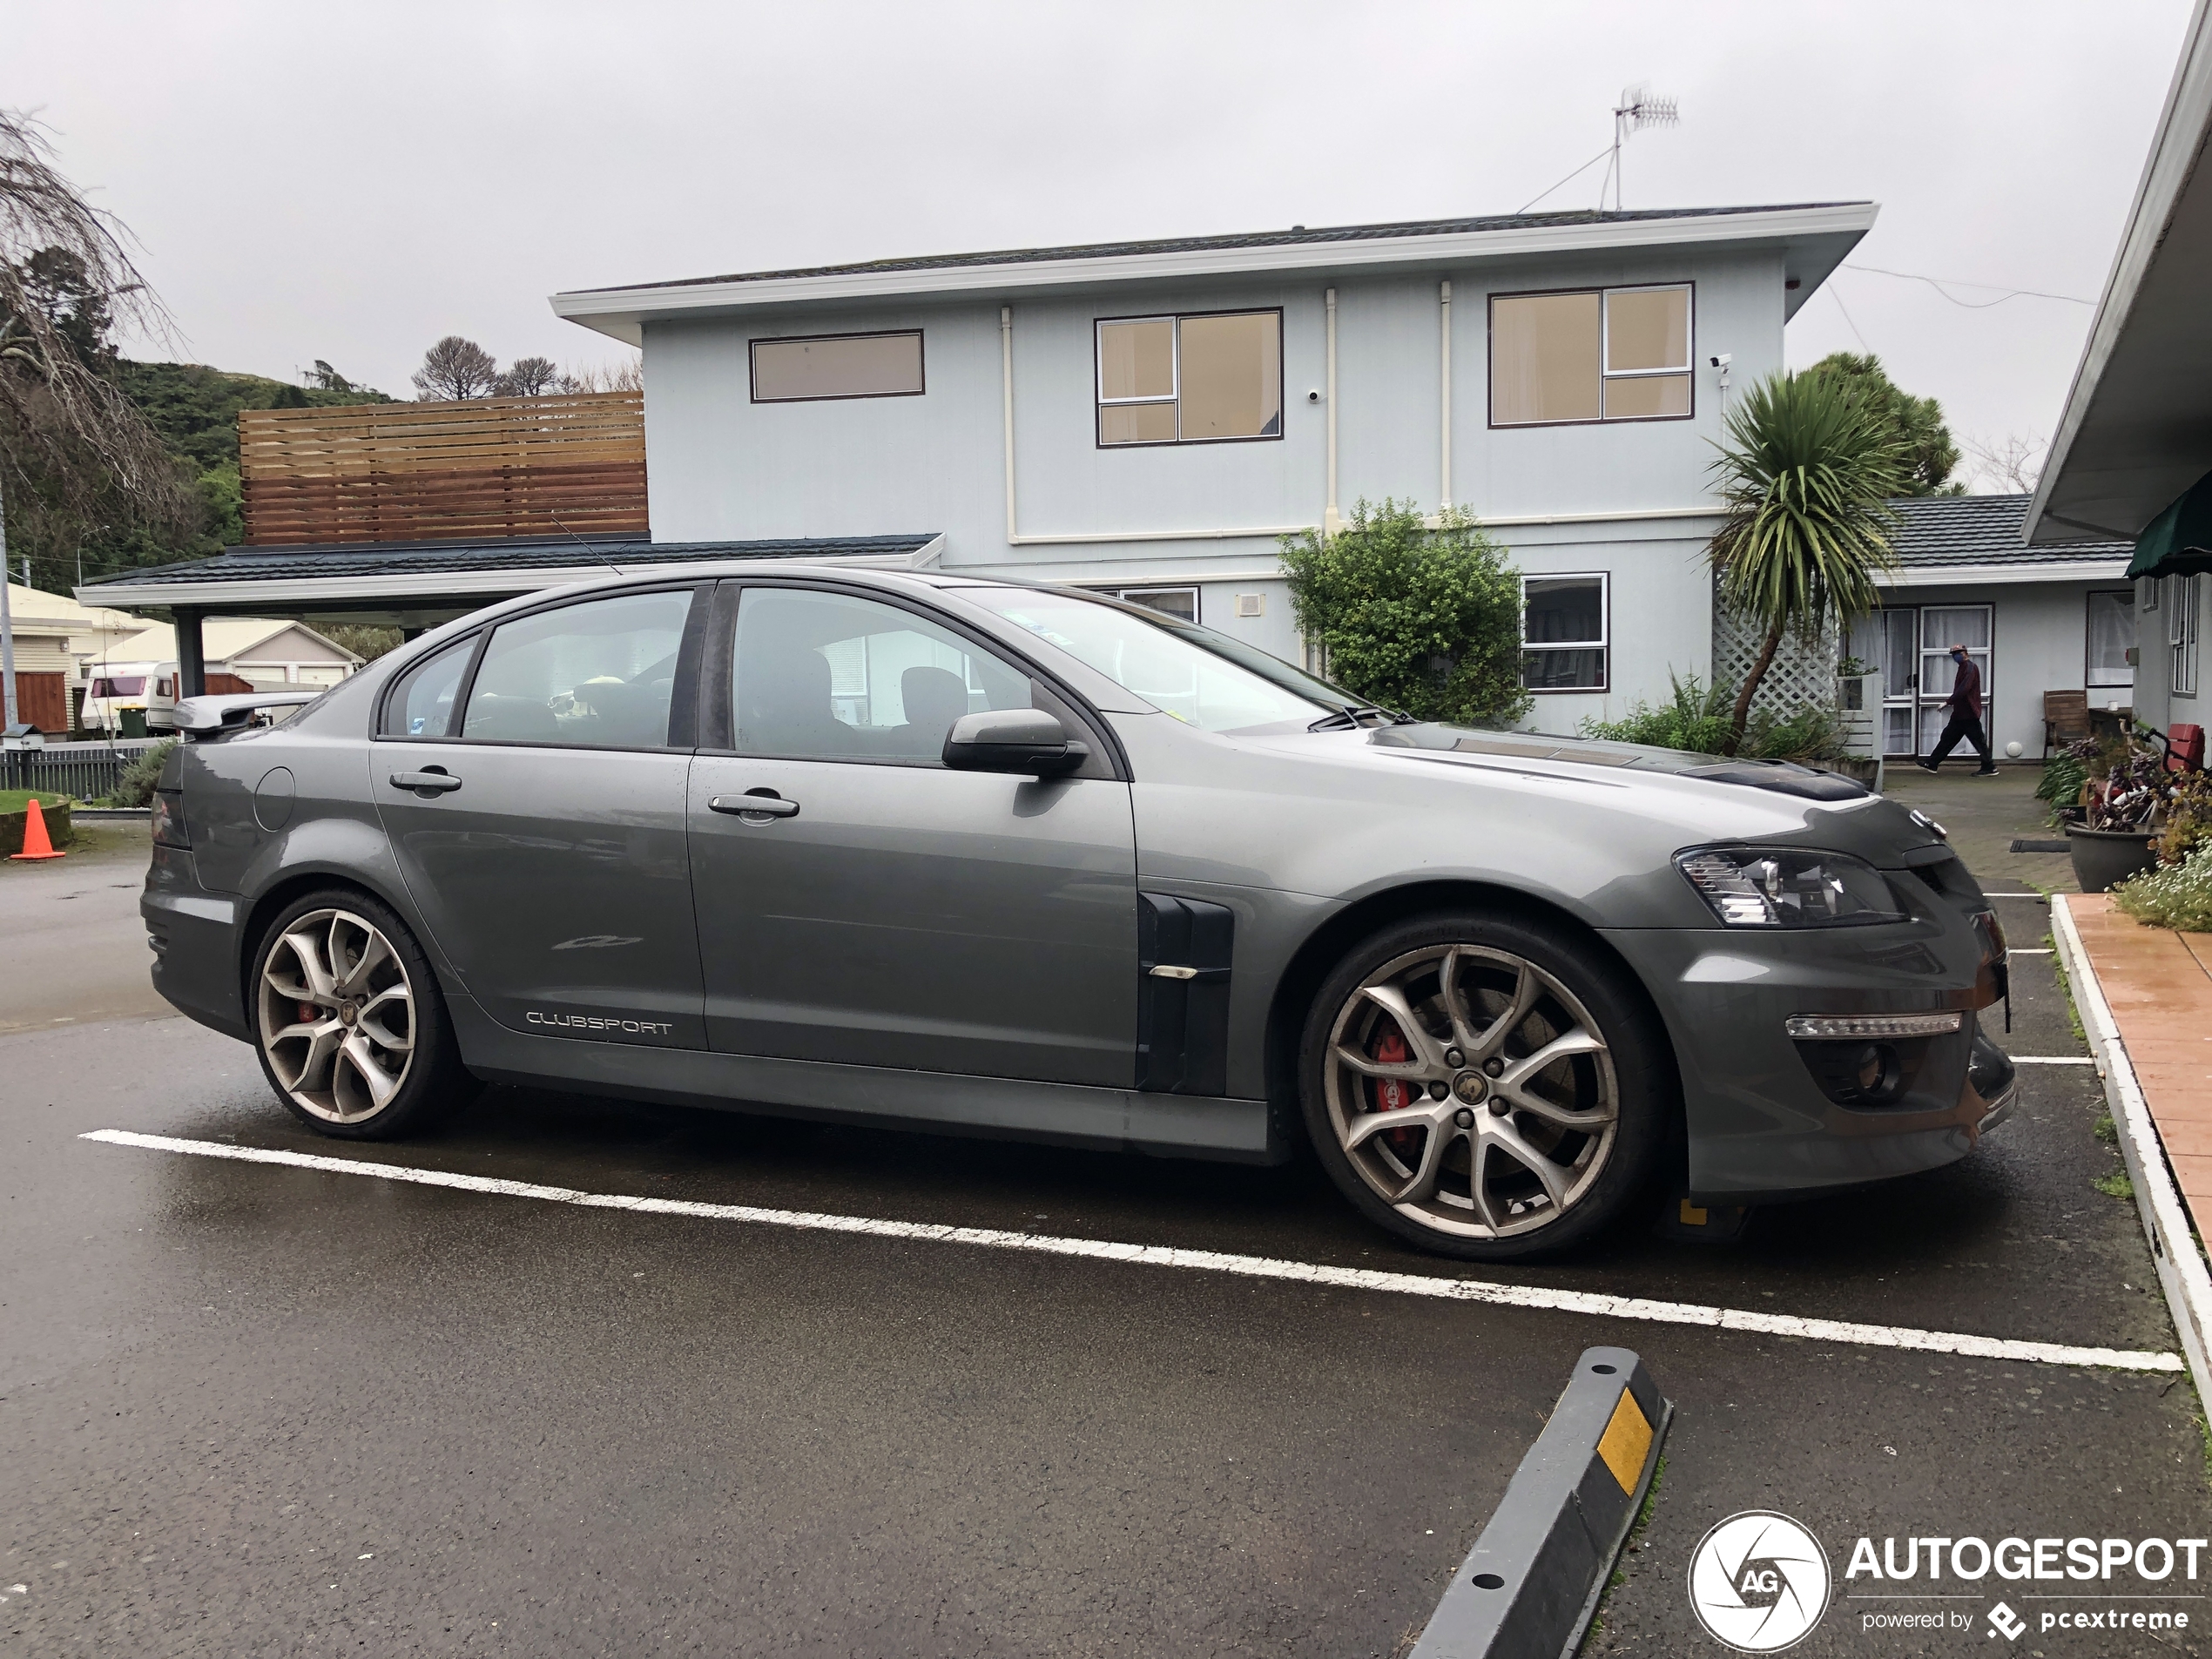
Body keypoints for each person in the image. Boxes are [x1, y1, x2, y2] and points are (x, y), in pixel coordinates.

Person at [1916, 644, 1997, 776]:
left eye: (1958, 653)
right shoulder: (1963, 668)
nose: (1956, 656)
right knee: (1948, 738)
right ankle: (1932, 762)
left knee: (1978, 741)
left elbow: (1964, 688)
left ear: (1965, 653)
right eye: (1953, 654)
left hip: (1969, 713)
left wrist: (1948, 702)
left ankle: (1989, 766)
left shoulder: (1970, 668)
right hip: (1960, 713)